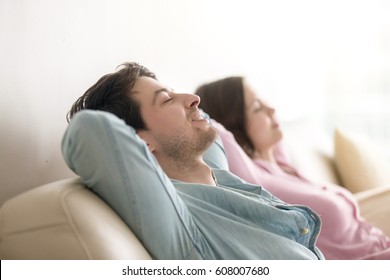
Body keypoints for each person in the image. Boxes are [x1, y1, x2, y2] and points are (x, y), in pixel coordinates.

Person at [62, 62, 325, 260]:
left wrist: (175, 104)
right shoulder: (181, 222)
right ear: (140, 142)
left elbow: (204, 118)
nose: (193, 98)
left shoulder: (221, 178)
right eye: (166, 100)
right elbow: (91, 131)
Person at [195, 76, 390, 260]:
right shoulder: (256, 179)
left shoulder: (280, 165)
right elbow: (213, 128)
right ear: (233, 124)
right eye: (257, 108)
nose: (271, 109)